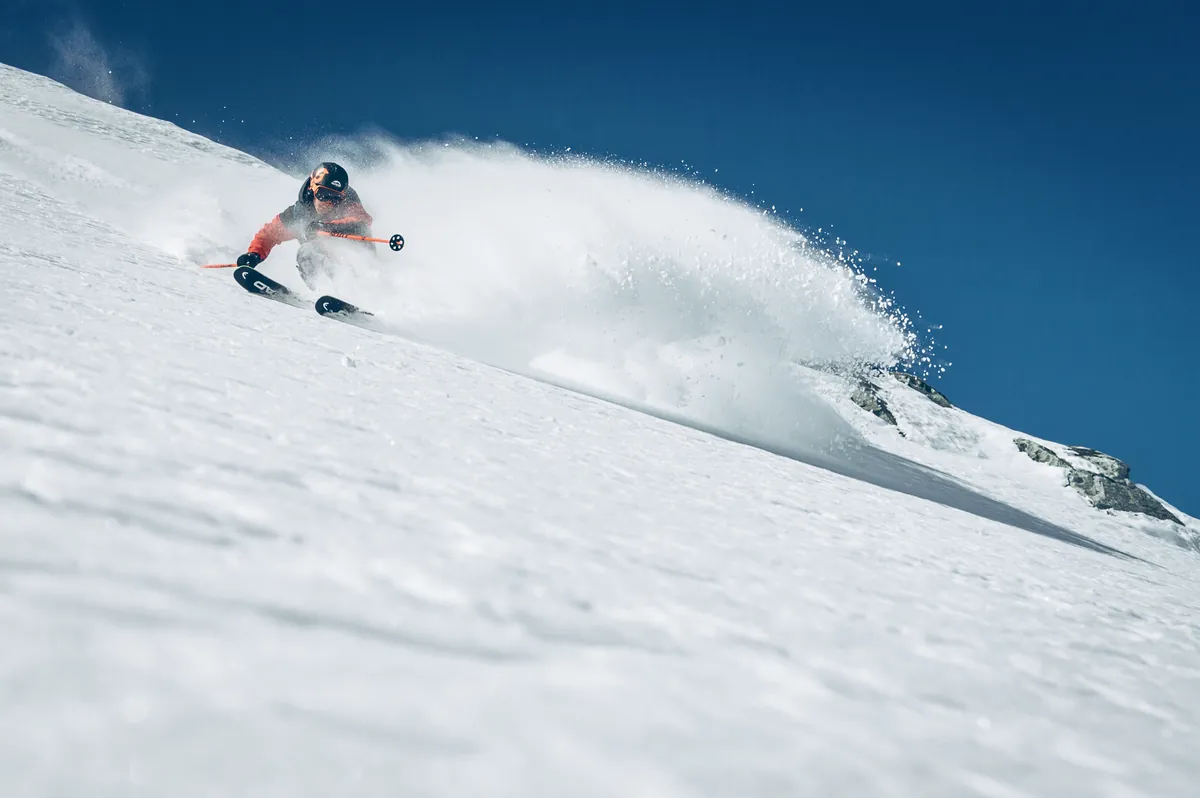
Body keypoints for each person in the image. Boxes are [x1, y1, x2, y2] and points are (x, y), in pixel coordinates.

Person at [236, 162, 374, 289]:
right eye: (323, 194)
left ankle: (355, 290)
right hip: (323, 261)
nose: (328, 202)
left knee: (311, 249)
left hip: (357, 261)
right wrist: (254, 254)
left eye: (335, 198)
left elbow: (361, 221)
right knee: (308, 252)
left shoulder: (348, 204)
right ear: (312, 188)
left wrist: (325, 226)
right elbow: (269, 235)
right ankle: (320, 290)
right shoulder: (297, 215)